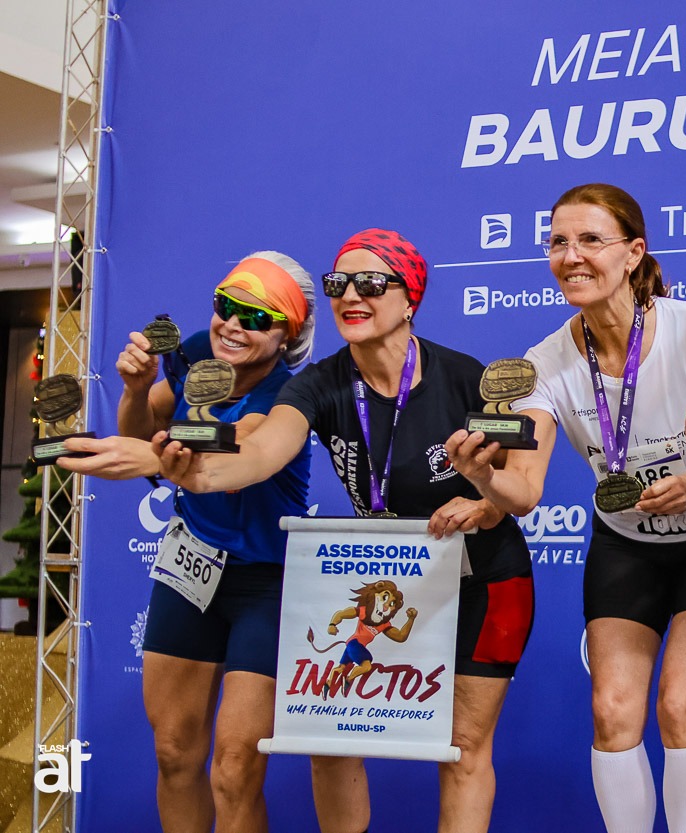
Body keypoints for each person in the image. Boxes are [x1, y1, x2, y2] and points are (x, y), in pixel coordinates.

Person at [156, 228, 535, 833]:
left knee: (464, 748)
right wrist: (195, 473)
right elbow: (263, 452)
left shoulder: (467, 378)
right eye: (339, 283)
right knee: (329, 737)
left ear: (410, 299)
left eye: (372, 283)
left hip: (483, 581)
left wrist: (484, 500)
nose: (351, 295)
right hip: (388, 581)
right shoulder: (318, 383)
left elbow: (520, 491)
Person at [446, 183, 686, 833]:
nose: (571, 256)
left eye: (591, 240)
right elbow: (525, 491)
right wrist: (482, 476)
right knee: (613, 710)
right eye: (558, 242)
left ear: (633, 253)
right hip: (628, 540)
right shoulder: (544, 363)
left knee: (680, 703)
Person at [59, 251, 316, 833]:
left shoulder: (290, 394)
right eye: (226, 306)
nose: (234, 325)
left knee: (235, 770)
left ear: (287, 335)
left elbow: (230, 455)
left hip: (266, 583)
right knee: (174, 752)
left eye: (258, 317)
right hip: (190, 567)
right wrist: (136, 389)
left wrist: (154, 455)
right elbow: (141, 429)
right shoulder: (197, 350)